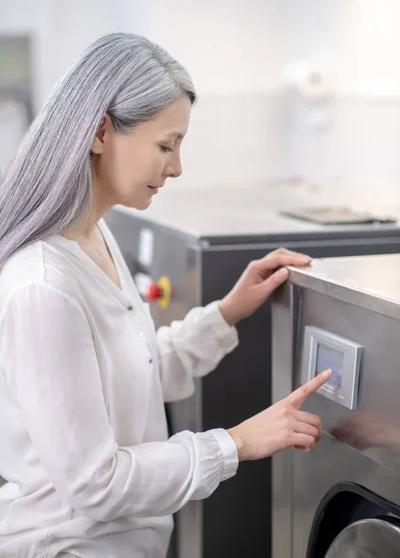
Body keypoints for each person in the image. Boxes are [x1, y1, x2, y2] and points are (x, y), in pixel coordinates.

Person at [0, 33, 331, 558]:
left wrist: (226, 313)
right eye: (165, 145)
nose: (176, 167)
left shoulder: (95, 237)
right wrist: (237, 443)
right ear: (101, 132)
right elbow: (94, 483)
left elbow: (136, 373)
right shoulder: (44, 286)